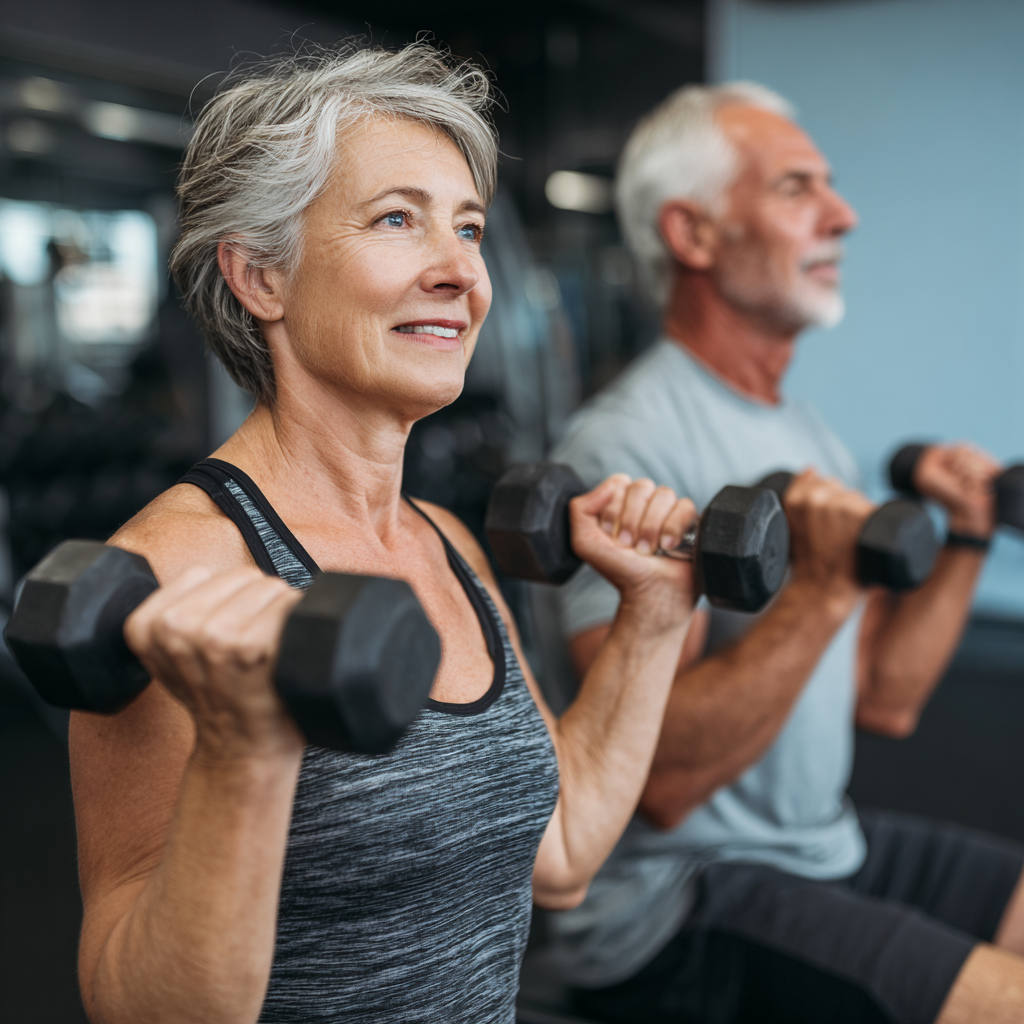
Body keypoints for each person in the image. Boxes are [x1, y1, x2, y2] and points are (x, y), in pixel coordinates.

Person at [68, 44, 701, 1024]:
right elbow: (134, 1005)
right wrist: (245, 749)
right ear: (259, 277)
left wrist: (654, 614)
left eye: (469, 228)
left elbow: (564, 852)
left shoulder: (445, 540)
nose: (459, 272)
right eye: (397, 219)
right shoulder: (171, 576)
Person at [540, 82, 1024, 1024]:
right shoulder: (625, 448)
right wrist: (824, 584)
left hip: (817, 846)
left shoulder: (808, 435)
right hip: (677, 903)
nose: (841, 215)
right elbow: (662, 784)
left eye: (830, 188)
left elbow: (886, 694)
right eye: (797, 188)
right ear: (695, 234)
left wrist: (963, 534)